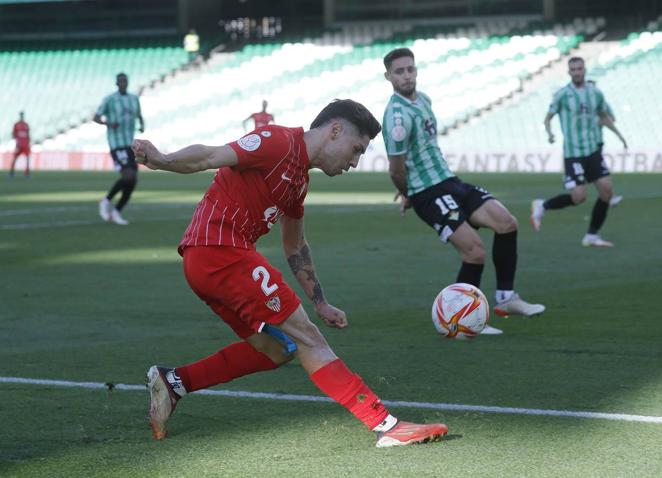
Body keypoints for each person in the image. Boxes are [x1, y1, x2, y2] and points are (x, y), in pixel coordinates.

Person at [134, 99, 448, 448]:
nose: (355, 162)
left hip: (207, 263)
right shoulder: (277, 142)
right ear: (335, 131)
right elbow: (210, 156)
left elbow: (295, 245)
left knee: (276, 349)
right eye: (356, 149)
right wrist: (161, 160)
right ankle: (385, 424)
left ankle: (174, 382)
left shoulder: (298, 180)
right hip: (220, 251)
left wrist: (321, 302)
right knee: (307, 338)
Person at [381, 48, 545, 333]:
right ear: (388, 77)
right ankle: (459, 320)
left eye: (410, 69)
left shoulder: (424, 100)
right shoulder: (396, 118)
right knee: (475, 252)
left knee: (506, 223)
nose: (406, 75)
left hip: (451, 181)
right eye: (399, 71)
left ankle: (507, 299)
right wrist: (409, 194)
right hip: (428, 193)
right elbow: (396, 169)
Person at [532, 58, 628, 247]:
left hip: (593, 151)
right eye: (573, 69)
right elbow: (548, 118)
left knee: (607, 192)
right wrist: (550, 134)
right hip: (573, 153)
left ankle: (592, 235)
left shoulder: (595, 93)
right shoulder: (562, 95)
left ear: (585, 70)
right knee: (579, 197)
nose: (577, 72)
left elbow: (604, 116)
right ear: (569, 72)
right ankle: (543, 205)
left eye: (579, 68)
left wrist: (620, 137)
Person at [94, 73, 145, 225]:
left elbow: (139, 115)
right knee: (128, 176)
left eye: (125, 81)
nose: (123, 83)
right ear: (116, 83)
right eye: (120, 81)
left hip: (130, 144)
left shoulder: (133, 99)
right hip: (116, 144)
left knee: (133, 180)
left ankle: (116, 212)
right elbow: (96, 117)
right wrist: (109, 124)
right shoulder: (109, 99)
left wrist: (142, 125)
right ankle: (106, 201)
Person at [587, 81, 623, 208]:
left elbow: (611, 119)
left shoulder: (602, 103)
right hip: (583, 144)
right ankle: (609, 197)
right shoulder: (580, 104)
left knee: (597, 173)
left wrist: (600, 120)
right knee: (599, 173)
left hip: (597, 142)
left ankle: (609, 197)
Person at [9, 111, 31, 178]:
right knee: (15, 158)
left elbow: (28, 135)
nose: (22, 116)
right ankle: (11, 172)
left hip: (26, 145)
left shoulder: (26, 124)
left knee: (27, 158)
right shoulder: (16, 124)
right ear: (20, 116)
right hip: (19, 145)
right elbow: (13, 134)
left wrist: (28, 142)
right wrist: (17, 140)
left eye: (22, 115)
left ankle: (27, 173)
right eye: (21, 115)